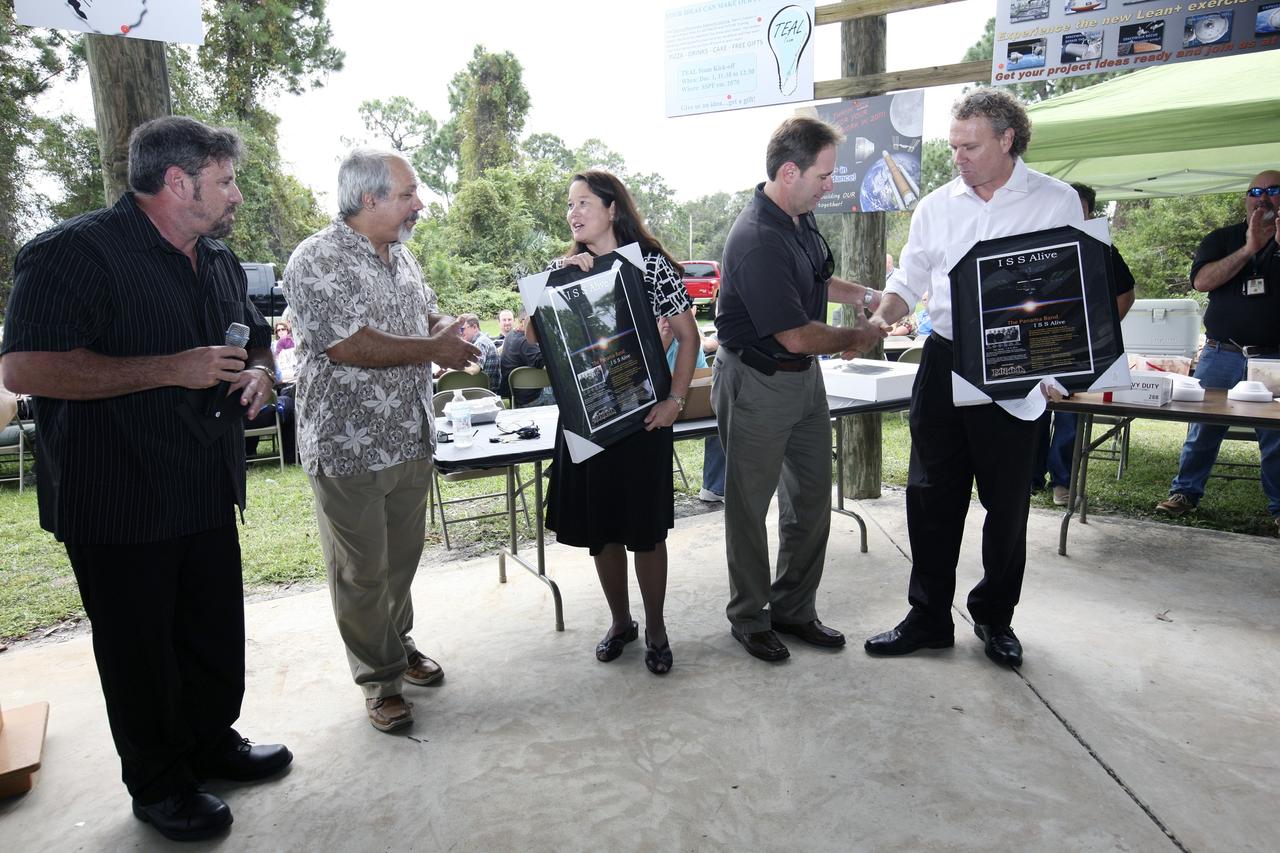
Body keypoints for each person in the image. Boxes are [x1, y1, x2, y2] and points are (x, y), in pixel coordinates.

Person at [0, 116, 291, 842]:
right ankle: (160, 784)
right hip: (117, 496)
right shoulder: (73, 253)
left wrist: (258, 372)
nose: (238, 195)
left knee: (210, 633)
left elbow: (255, 338)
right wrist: (171, 367)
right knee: (140, 652)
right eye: (226, 181)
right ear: (176, 182)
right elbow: (24, 367)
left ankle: (209, 743)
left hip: (203, 482)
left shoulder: (216, 257)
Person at [863, 88, 1085, 669]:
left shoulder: (1055, 200)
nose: (958, 156)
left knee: (1007, 502)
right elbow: (909, 279)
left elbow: (1071, 290)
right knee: (931, 495)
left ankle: (994, 617)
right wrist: (880, 318)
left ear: (1007, 140)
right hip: (944, 357)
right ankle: (929, 616)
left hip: (1017, 360)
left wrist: (1060, 366)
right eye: (953, 145)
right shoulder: (937, 205)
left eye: (970, 145)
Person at [283, 149, 479, 733]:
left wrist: (445, 329)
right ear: (368, 199)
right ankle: (380, 680)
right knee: (362, 571)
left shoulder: (402, 254)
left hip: (410, 438)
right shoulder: (315, 259)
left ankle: (398, 643)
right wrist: (431, 348)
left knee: (399, 563)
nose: (419, 203)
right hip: (350, 447)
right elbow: (349, 345)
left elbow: (419, 320)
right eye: (407, 194)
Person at [712, 116, 886, 663]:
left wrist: (862, 294)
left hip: (803, 379)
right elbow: (794, 333)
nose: (829, 184)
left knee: (810, 499)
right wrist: (858, 335)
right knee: (749, 507)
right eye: (824, 175)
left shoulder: (798, 217)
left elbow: (814, 278)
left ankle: (793, 607)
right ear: (790, 172)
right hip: (758, 380)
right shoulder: (756, 237)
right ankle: (749, 616)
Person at [539, 169, 700, 675]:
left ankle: (655, 627)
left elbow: (689, 337)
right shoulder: (560, 270)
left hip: (644, 418)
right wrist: (564, 277)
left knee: (645, 532)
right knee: (601, 530)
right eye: (569, 206)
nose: (574, 213)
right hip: (588, 419)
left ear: (613, 209)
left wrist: (675, 399)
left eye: (584, 203)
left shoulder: (649, 265)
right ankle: (620, 622)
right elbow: (531, 336)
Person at [1154, 170, 1280, 530]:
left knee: (1276, 436)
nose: (1264, 197)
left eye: (1273, 190)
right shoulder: (1223, 238)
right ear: (1246, 198)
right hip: (1221, 352)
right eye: (1256, 191)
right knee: (1204, 428)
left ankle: (1279, 506)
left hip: (1274, 357)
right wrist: (1249, 249)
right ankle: (1185, 492)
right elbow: (1202, 281)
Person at [1032, 182, 1136, 505]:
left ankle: (1063, 482)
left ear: (1088, 211)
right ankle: (1030, 478)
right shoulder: (1037, 242)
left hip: (1079, 347)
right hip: (1038, 342)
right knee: (1033, 409)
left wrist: (1098, 333)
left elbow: (1126, 295)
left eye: (1077, 206)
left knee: (1070, 413)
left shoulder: (1102, 248)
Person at [657, 314, 725, 501]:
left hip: (689, 408)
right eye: (662, 318)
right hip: (657, 414)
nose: (667, 322)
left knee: (724, 419)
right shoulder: (645, 346)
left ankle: (715, 488)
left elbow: (699, 379)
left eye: (670, 317)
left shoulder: (688, 344)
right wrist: (662, 343)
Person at [498, 309, 552, 406]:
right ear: (524, 321)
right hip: (531, 399)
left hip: (515, 396)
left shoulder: (511, 334)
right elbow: (549, 367)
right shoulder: (526, 342)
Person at [457, 313, 501, 391]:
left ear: (474, 327)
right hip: (480, 389)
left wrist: (452, 367)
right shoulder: (478, 341)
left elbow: (474, 370)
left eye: (462, 329)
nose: (460, 333)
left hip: (484, 393)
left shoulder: (480, 343)